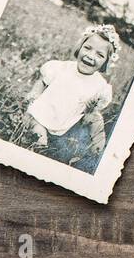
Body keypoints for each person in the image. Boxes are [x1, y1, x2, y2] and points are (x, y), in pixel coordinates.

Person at [24, 25, 117, 172]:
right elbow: (42, 82)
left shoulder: (100, 86)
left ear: (106, 62)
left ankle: (98, 152)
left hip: (69, 123)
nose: (91, 56)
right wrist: (33, 96)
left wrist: (91, 110)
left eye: (100, 55)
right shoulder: (61, 68)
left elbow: (91, 113)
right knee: (37, 134)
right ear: (79, 47)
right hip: (42, 114)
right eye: (87, 48)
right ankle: (39, 149)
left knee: (97, 119)